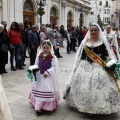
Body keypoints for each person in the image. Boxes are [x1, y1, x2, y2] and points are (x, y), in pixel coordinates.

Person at [63, 24, 120, 117]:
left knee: (99, 85)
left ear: (98, 31)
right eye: (92, 30)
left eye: (95, 30)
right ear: (89, 31)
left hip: (99, 65)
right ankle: (85, 105)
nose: (93, 32)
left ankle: (97, 107)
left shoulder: (102, 42)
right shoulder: (85, 42)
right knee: (84, 85)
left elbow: (106, 54)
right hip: (85, 65)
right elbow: (81, 54)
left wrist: (109, 60)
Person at [29, 40, 60, 116]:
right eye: (44, 48)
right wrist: (33, 71)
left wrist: (48, 72)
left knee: (47, 90)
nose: (46, 49)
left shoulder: (53, 57)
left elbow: (54, 67)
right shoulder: (39, 56)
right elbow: (36, 64)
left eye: (47, 48)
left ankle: (46, 106)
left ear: (50, 48)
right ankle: (39, 107)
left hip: (47, 77)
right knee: (38, 90)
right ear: (42, 48)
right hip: (40, 76)